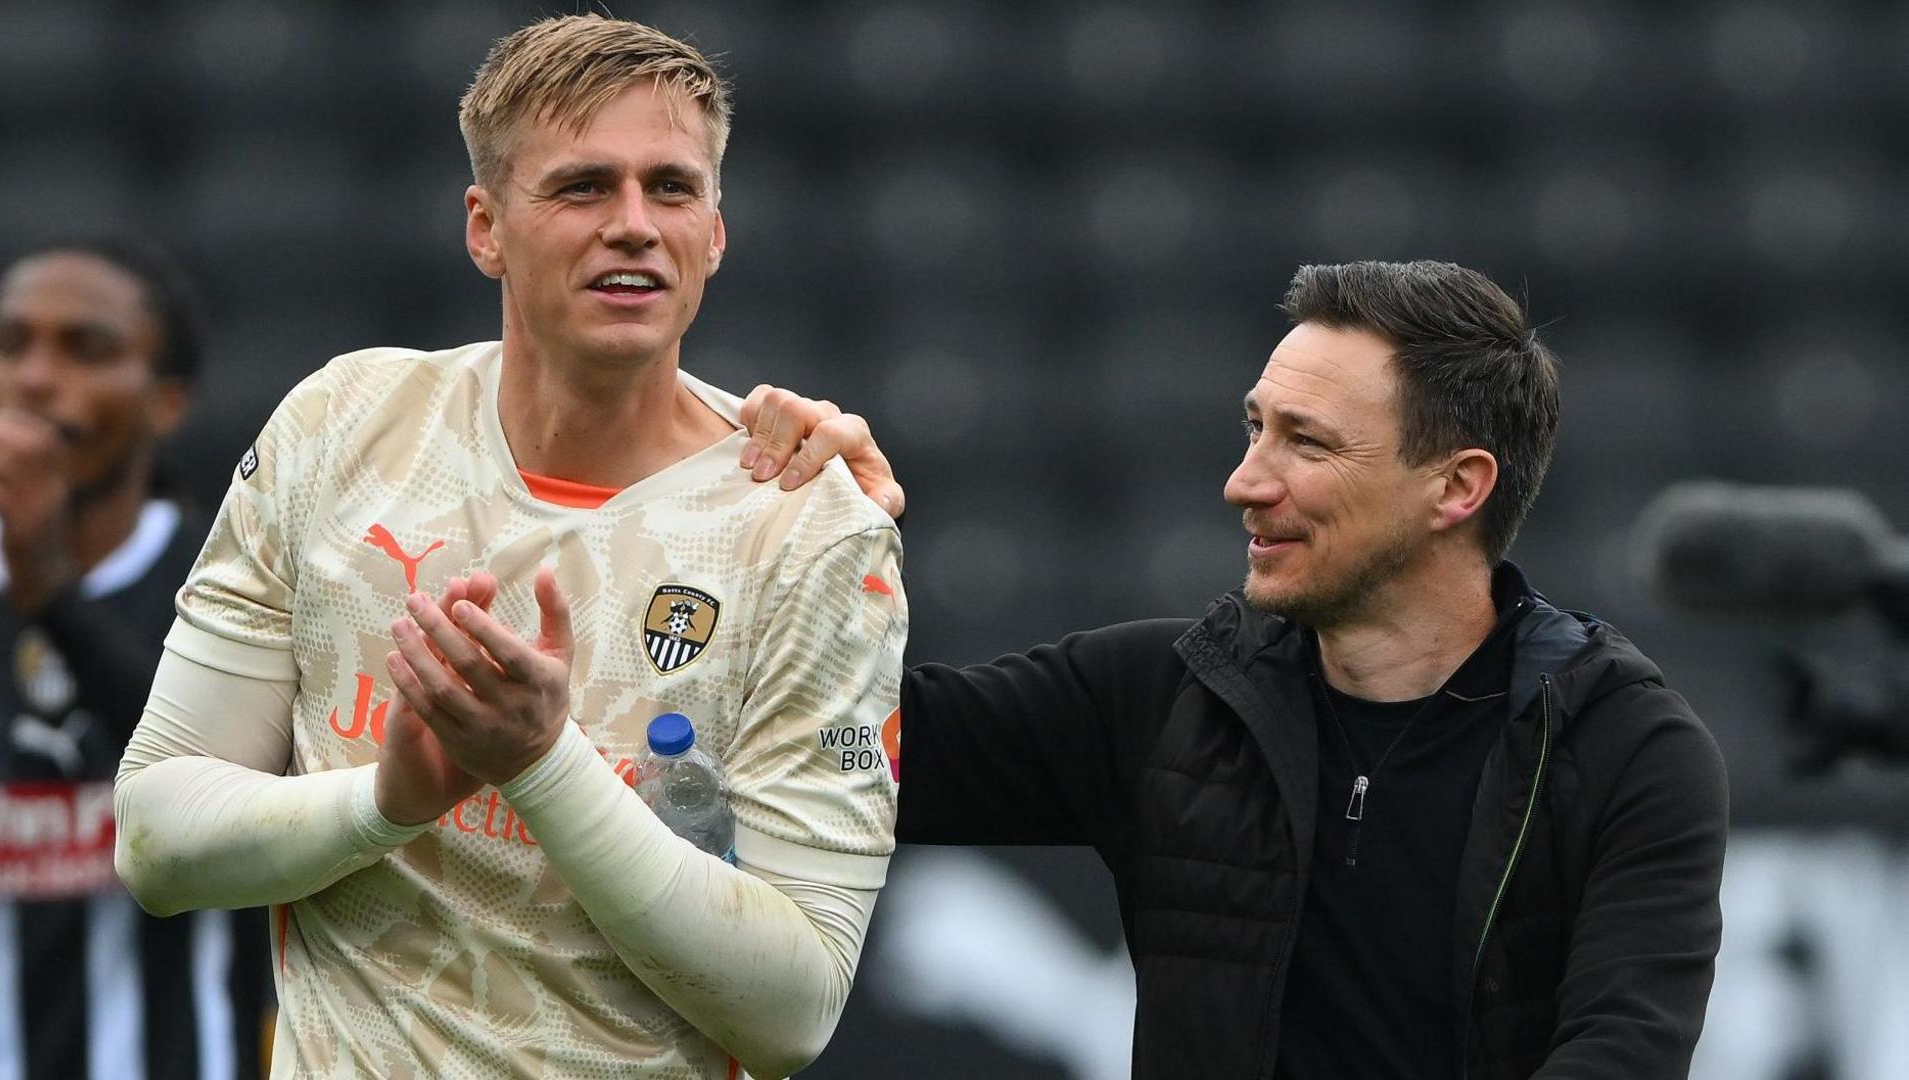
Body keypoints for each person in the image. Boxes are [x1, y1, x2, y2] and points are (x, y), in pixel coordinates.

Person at [112, 16, 906, 1080]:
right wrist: (384, 803)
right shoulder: (342, 427)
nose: (633, 224)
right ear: (485, 228)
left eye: (672, 188)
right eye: (582, 187)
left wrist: (540, 764)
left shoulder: (810, 525)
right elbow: (156, 841)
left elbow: (795, 1009)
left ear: (715, 233)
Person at [741, 260, 1729, 1079]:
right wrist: (833, 548)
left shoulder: (1623, 747)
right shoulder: (1161, 694)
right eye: (1257, 427)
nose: (1245, 482)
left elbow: (1620, 1061)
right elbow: (831, 753)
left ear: (1457, 486)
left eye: (1306, 443)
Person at [0, 237, 272, 1078]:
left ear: (168, 403)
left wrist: (49, 590)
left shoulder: (231, 583)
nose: (37, 377)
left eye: (88, 349)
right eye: (10, 345)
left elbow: (216, 795)